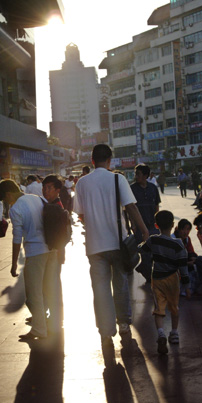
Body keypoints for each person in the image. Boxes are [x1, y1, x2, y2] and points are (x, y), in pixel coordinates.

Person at [74, 144, 149, 361]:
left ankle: (106, 332)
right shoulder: (118, 179)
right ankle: (123, 323)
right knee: (121, 283)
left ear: (92, 159)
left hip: (94, 246)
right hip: (118, 243)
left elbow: (80, 215)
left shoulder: (82, 183)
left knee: (100, 290)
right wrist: (144, 231)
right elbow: (131, 207)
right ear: (110, 160)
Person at [0, 179, 61, 342]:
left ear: (8, 194)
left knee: (34, 293)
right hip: (51, 249)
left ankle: (39, 328)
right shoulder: (37, 198)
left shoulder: (16, 208)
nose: (6, 203)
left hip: (35, 252)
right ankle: (54, 325)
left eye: (5, 200)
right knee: (50, 289)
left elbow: (17, 238)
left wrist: (13, 265)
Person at [138, 210, 190, 353]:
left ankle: (161, 333)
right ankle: (174, 333)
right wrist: (186, 284)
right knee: (174, 307)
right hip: (172, 279)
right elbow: (183, 266)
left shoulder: (153, 240)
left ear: (156, 225)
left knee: (159, 308)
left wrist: (142, 240)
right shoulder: (178, 244)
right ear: (173, 225)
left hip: (157, 278)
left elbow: (142, 249)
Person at [130, 163, 161, 283]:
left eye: (138, 174)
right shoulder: (132, 189)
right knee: (144, 251)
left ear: (146, 175)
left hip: (152, 224)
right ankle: (149, 277)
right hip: (139, 226)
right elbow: (130, 208)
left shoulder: (153, 188)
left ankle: (145, 269)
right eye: (135, 174)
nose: (136, 176)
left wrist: (157, 221)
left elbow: (157, 205)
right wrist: (133, 224)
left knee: (154, 251)